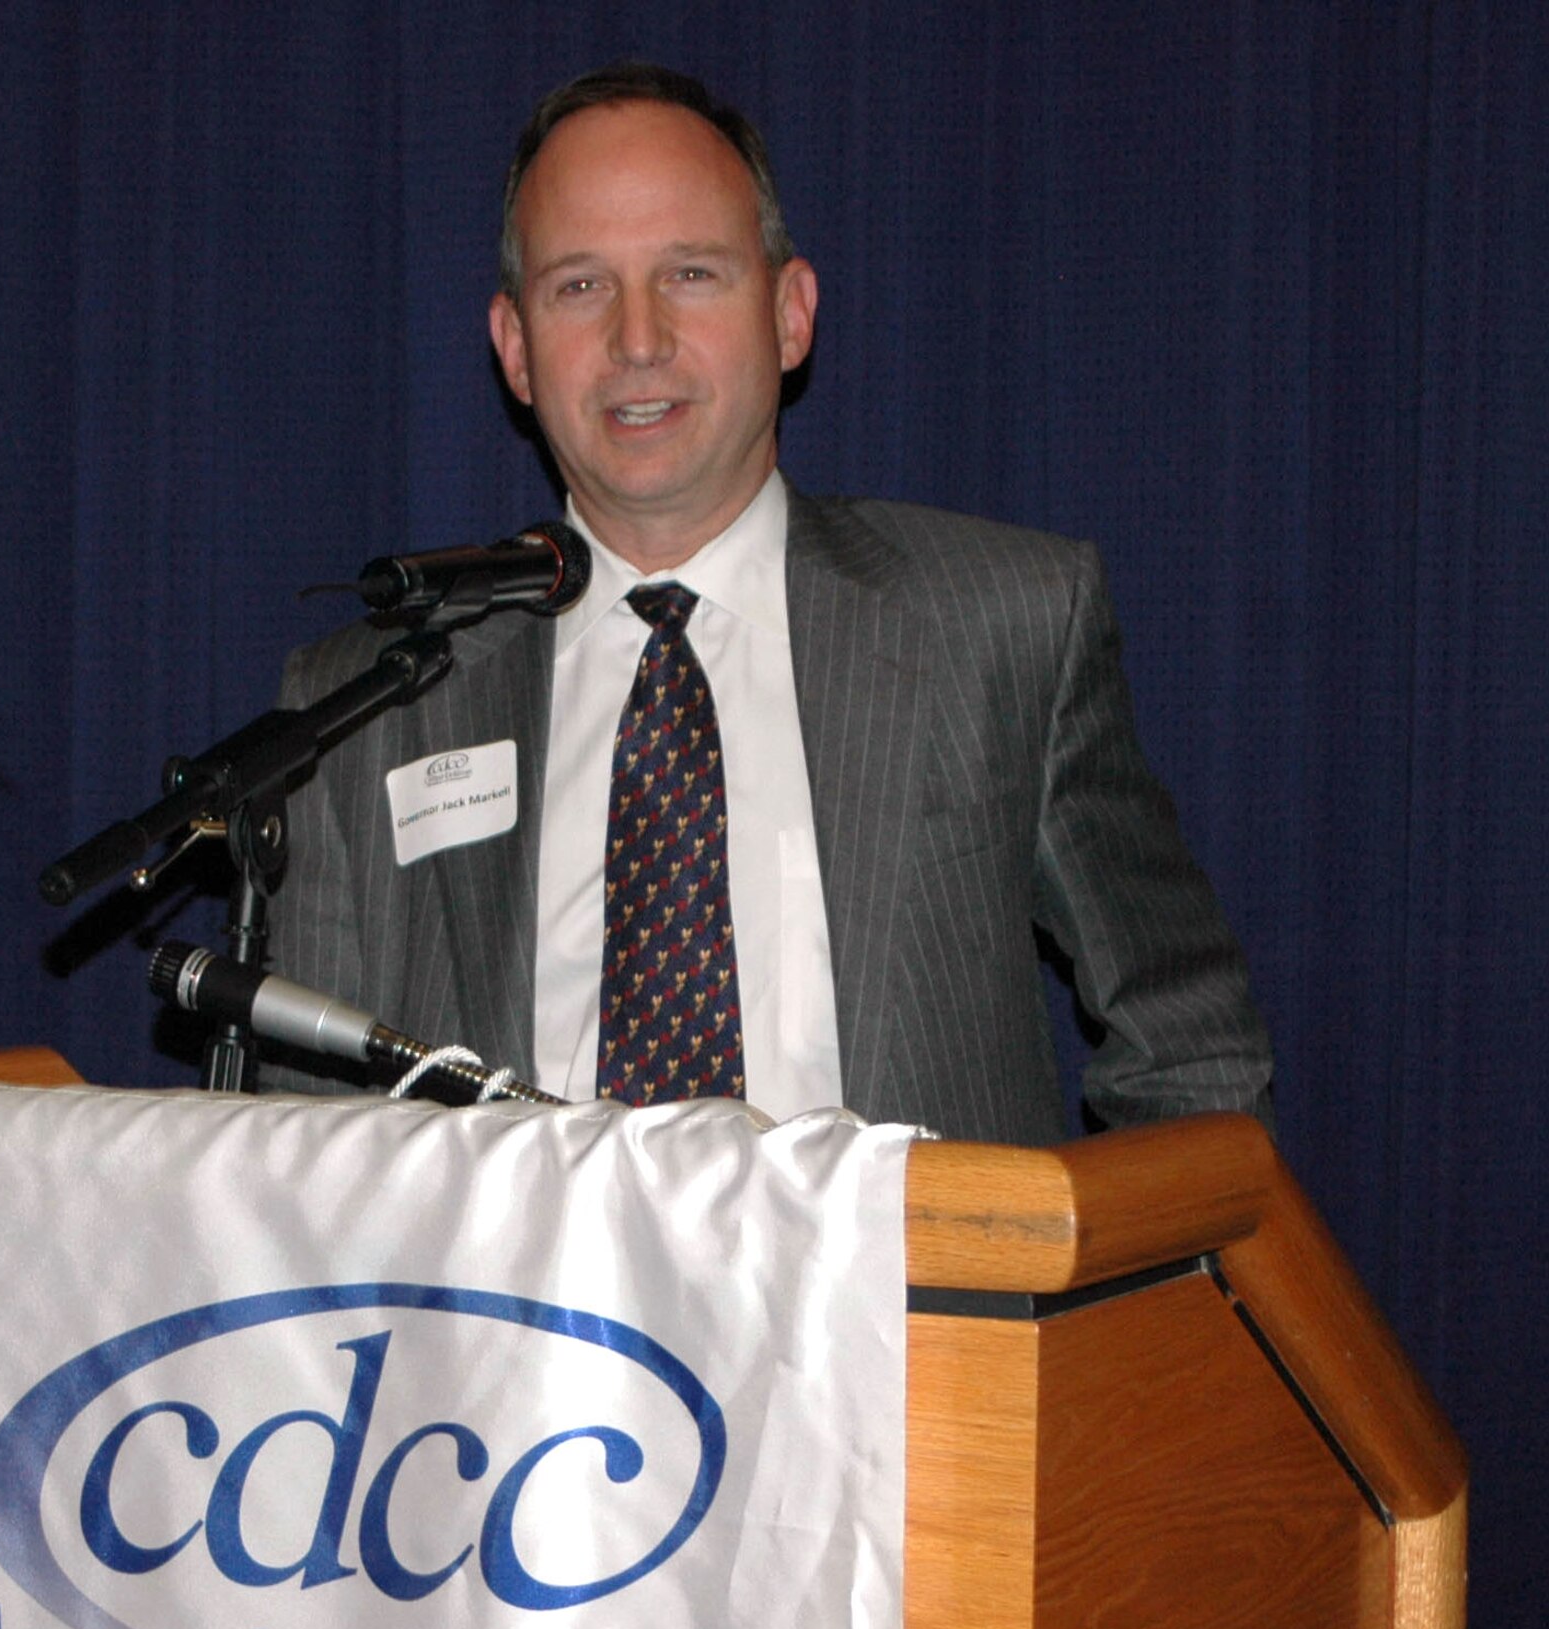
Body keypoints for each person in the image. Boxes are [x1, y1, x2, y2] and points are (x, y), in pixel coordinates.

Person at [264, 63, 1273, 1146]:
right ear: (514, 347)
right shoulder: (368, 707)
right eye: (580, 286)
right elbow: (309, 1156)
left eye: (691, 274)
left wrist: (1102, 1307)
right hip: (517, 1315)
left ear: (790, 315)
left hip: (906, 1308)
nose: (637, 339)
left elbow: (1191, 1046)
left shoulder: (1002, 626)